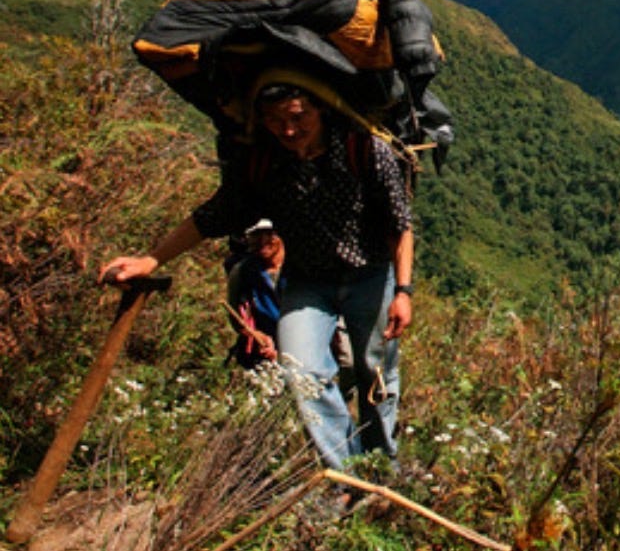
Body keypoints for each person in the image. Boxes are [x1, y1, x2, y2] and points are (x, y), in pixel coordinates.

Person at [100, 82, 416, 471]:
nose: (288, 130)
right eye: (275, 120)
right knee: (300, 370)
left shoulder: (362, 149)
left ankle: (382, 468)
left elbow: (400, 224)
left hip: (369, 275)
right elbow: (212, 216)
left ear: (322, 109)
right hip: (307, 281)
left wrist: (403, 291)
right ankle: (349, 473)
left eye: (298, 116)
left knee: (376, 375)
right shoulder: (263, 163)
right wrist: (150, 260)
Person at [225, 218, 285, 369]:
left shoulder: (300, 269)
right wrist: (257, 335)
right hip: (263, 357)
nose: (262, 240)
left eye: (269, 234)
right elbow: (238, 319)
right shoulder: (243, 272)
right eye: (256, 234)